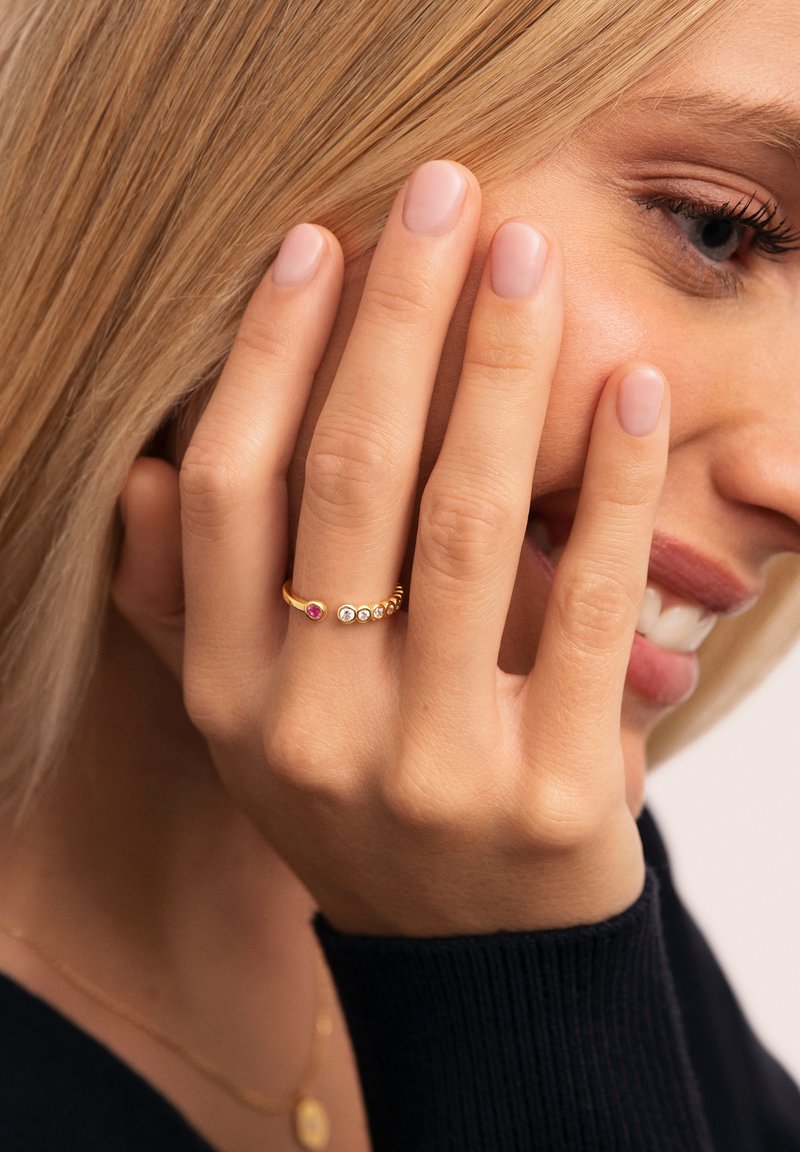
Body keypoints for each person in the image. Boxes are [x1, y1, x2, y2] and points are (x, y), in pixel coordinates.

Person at [1, 0, 799, 1149]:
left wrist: (520, 958)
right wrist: (518, 982)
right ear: (260, 141)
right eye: (717, 231)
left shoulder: (531, 847)